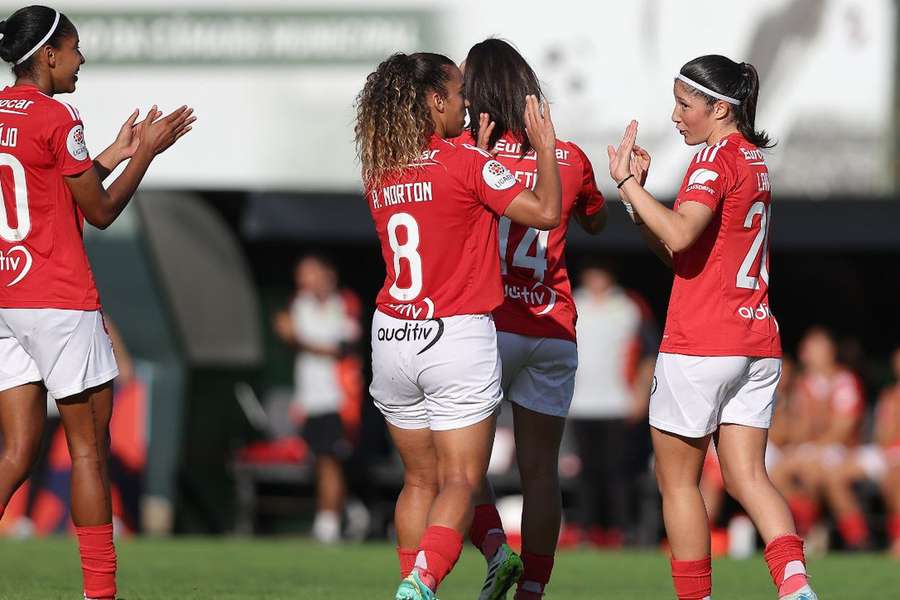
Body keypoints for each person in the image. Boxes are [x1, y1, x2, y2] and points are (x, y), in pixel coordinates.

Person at [0, 6, 194, 600]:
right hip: (59, 298)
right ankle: (100, 594)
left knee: (15, 451)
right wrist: (147, 153)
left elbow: (50, 181)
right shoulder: (58, 114)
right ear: (49, 55)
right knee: (89, 451)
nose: (81, 60)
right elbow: (100, 212)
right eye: (75, 48)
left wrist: (108, 154)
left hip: (9, 297)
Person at [607, 54, 817, 599]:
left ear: (719, 108)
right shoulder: (752, 160)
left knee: (678, 483)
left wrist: (628, 184)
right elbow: (685, 254)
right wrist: (640, 205)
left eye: (684, 104)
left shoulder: (713, 160)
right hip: (756, 341)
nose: (676, 116)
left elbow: (678, 236)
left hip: (702, 342)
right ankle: (797, 589)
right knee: (749, 476)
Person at [354, 51, 561, 600]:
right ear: (433, 101)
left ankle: (415, 577)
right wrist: (541, 149)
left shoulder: (379, 168)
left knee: (418, 481)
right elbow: (543, 212)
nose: (468, 104)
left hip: (393, 336)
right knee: (460, 482)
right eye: (459, 93)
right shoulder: (465, 162)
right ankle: (420, 585)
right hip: (455, 336)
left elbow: (444, 211)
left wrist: (476, 157)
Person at [453, 39, 606, 600]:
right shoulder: (566, 156)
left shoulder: (468, 153)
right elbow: (595, 220)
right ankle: (533, 591)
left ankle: (496, 551)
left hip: (488, 326)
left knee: (455, 469)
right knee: (541, 472)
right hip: (552, 328)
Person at [565, 260, 658, 551]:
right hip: (580, 402)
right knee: (586, 471)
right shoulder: (573, 302)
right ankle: (586, 530)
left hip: (618, 402)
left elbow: (648, 353)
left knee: (619, 471)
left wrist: (641, 395)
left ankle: (622, 530)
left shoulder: (628, 307)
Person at [273, 254, 362, 544]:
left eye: (309, 273)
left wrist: (300, 341)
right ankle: (347, 511)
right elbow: (286, 332)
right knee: (319, 461)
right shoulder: (298, 304)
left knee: (329, 461)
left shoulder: (344, 303)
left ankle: (328, 524)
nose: (304, 280)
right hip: (309, 398)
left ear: (327, 273)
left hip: (338, 399)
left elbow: (342, 349)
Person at [769, 327, 865, 544]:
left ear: (829, 350)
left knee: (819, 472)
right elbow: (799, 429)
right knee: (778, 471)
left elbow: (844, 428)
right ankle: (806, 528)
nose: (807, 354)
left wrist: (813, 444)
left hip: (841, 448)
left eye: (813, 348)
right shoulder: (803, 384)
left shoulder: (844, 380)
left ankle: (857, 538)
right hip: (812, 447)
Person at [822, 347, 900, 553]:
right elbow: (883, 436)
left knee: (895, 477)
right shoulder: (889, 394)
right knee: (835, 474)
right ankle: (859, 539)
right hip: (885, 452)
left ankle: (897, 539)